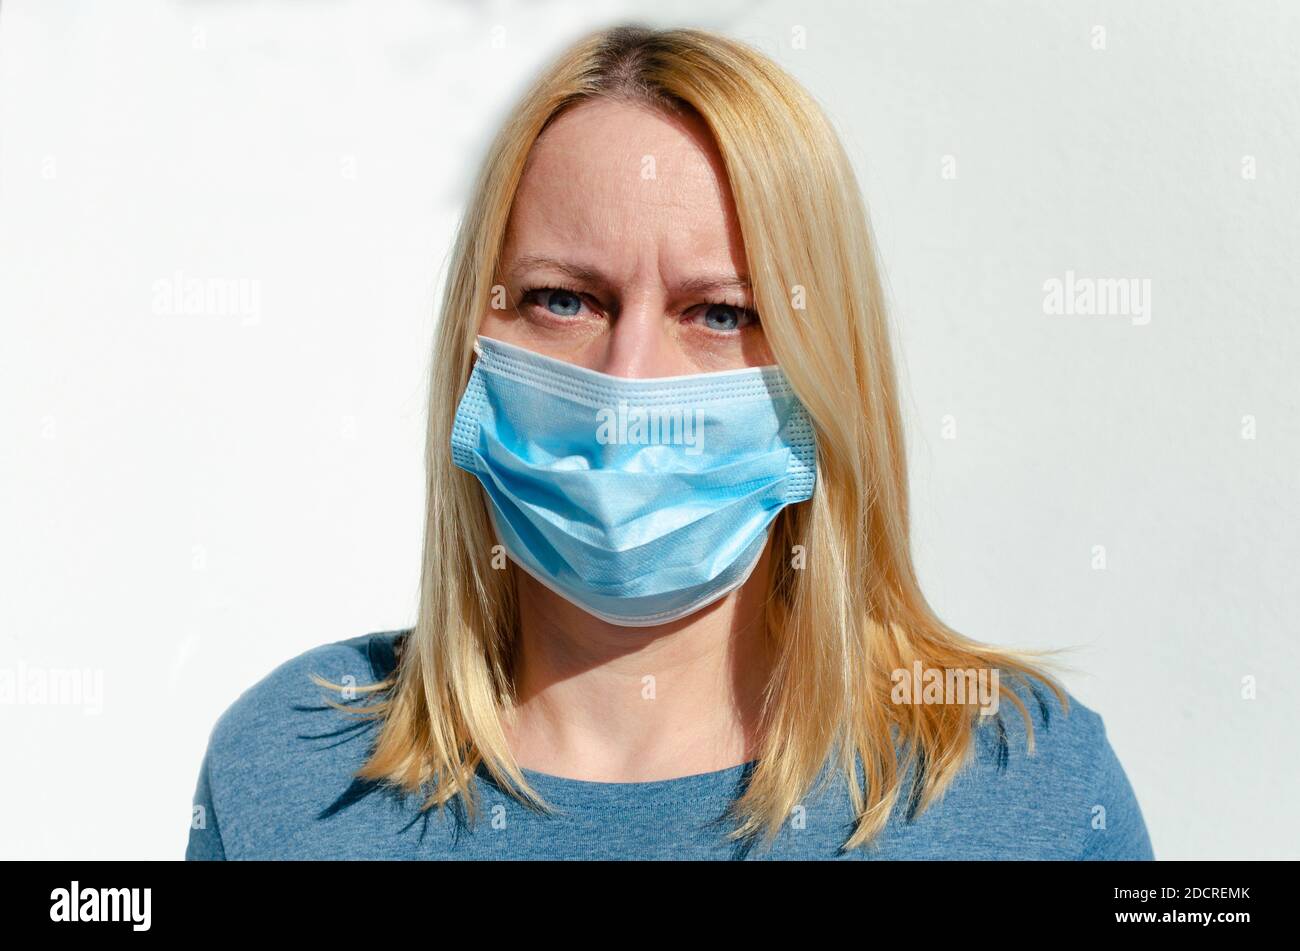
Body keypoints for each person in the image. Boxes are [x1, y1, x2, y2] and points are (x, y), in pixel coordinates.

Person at [187, 24, 1153, 860]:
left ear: (829, 367)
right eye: (563, 299)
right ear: (473, 341)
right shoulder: (287, 765)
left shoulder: (1024, 780)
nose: (631, 383)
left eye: (721, 312)